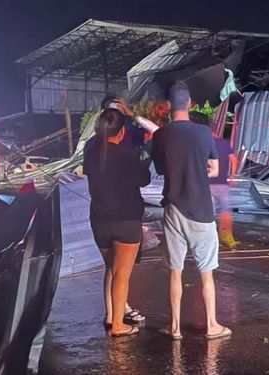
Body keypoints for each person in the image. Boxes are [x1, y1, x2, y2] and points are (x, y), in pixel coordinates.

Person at [151, 82, 232, 340]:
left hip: (173, 208)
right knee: (206, 273)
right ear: (190, 103)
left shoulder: (160, 135)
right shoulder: (203, 133)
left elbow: (162, 170)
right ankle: (212, 326)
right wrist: (201, 168)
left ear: (167, 107)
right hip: (201, 210)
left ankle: (174, 328)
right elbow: (215, 170)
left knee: (175, 271)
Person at [82, 95, 155, 326]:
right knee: (122, 274)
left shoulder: (90, 151)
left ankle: (110, 315)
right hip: (126, 220)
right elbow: (145, 180)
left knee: (111, 269)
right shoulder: (128, 155)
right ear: (121, 131)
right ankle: (118, 325)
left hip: (99, 220)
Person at [189, 112, 240, 249]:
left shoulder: (200, 143)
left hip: (207, 184)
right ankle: (227, 237)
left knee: (208, 212)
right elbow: (234, 159)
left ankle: (206, 239)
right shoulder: (222, 142)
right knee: (225, 210)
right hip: (223, 183)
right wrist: (233, 176)